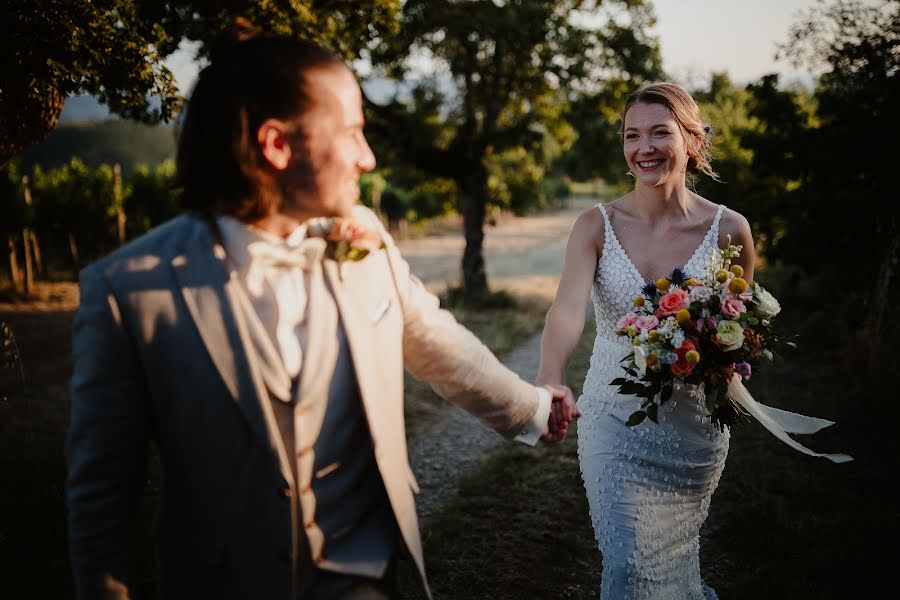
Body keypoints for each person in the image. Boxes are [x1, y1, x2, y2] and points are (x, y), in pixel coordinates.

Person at [65, 23, 578, 600]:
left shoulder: (365, 245)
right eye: (354, 133)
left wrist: (535, 408)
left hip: (369, 578)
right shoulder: (127, 292)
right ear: (277, 145)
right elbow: (102, 504)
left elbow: (439, 344)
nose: (368, 156)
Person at [537, 82, 755, 599]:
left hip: (695, 429)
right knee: (631, 567)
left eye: (660, 132)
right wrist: (549, 378)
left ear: (692, 140)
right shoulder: (595, 225)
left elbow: (740, 332)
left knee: (673, 565)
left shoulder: (731, 230)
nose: (645, 148)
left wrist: (716, 350)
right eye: (632, 135)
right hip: (614, 420)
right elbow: (566, 310)